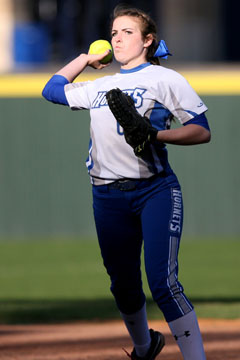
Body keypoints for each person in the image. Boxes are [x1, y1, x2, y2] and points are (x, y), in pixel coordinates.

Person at [42, 4, 211, 359]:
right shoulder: (102, 85)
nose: (118, 38)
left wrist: (155, 135)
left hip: (154, 190)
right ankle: (144, 347)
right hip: (107, 196)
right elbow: (52, 89)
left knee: (163, 284)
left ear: (148, 41)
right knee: (123, 285)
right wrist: (85, 59)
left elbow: (201, 131)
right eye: (114, 32)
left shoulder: (166, 80)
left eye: (127, 32)